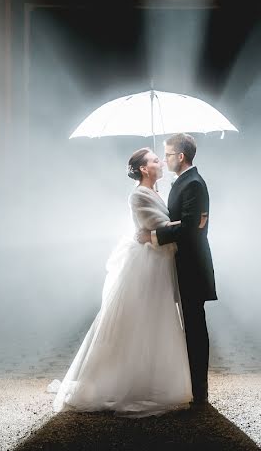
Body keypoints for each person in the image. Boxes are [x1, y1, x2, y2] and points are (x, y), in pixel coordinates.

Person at [49, 148, 192, 417]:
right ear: (143, 169)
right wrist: (190, 224)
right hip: (146, 264)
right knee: (140, 320)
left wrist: (180, 225)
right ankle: (126, 381)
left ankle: (152, 379)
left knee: (157, 319)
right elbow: (157, 225)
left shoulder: (160, 191)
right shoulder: (138, 194)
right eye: (154, 160)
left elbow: (163, 228)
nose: (160, 161)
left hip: (158, 261)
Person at [138, 132, 216, 405]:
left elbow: (190, 229)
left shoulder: (193, 184)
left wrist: (153, 237)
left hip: (192, 267)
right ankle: (192, 387)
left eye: (168, 154)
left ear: (180, 157)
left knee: (195, 328)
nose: (165, 159)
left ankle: (200, 392)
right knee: (189, 326)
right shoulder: (182, 182)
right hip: (181, 264)